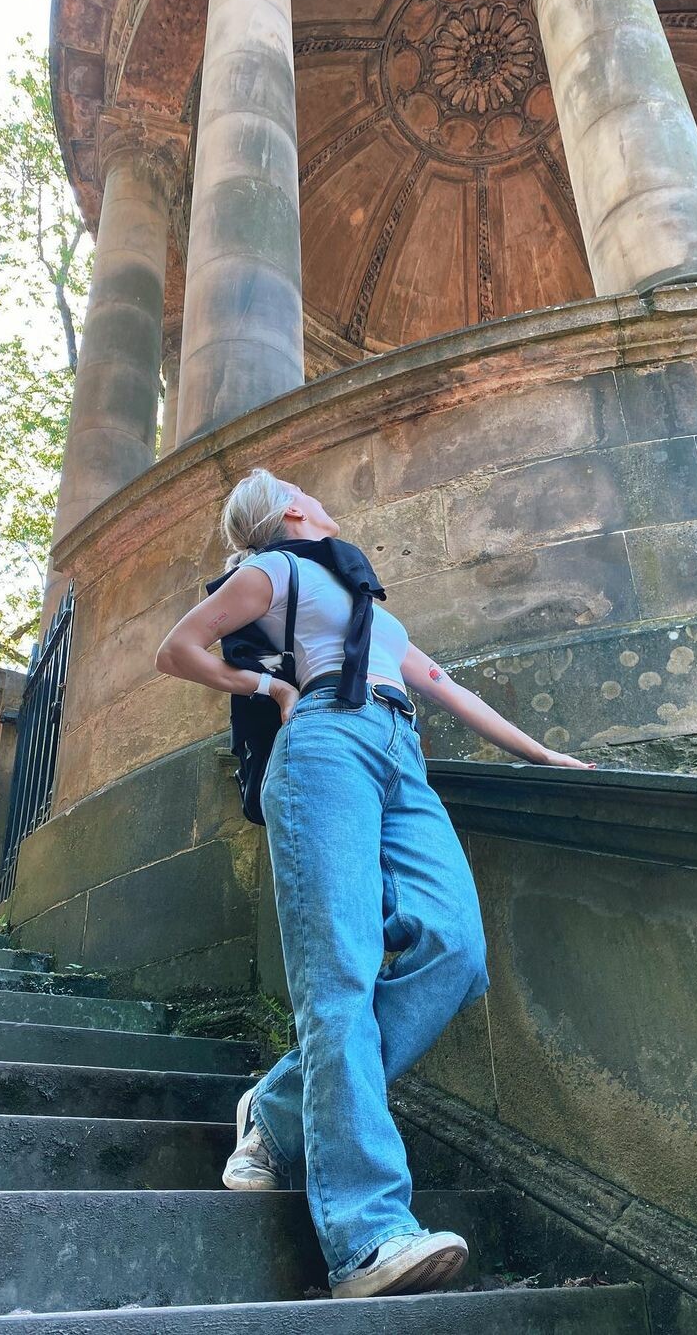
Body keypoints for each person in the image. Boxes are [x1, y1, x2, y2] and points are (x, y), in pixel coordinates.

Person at [154, 467, 594, 1300]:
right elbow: (176, 649)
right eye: (304, 489)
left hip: (402, 755)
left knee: (455, 948)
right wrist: (270, 686)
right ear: (290, 509)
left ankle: (279, 1108)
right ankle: (366, 1237)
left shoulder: (370, 603)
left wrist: (542, 754)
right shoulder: (274, 570)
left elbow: (446, 686)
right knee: (342, 974)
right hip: (325, 743)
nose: (319, 496)